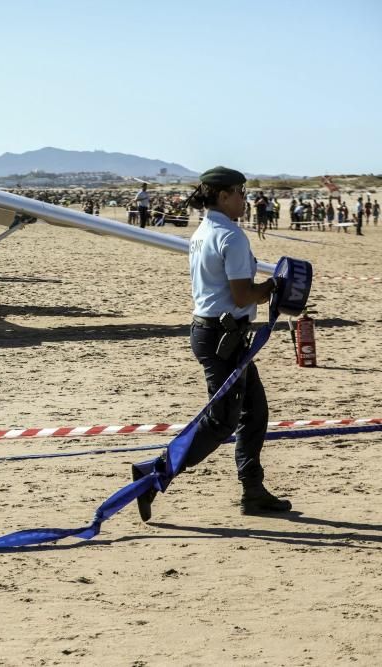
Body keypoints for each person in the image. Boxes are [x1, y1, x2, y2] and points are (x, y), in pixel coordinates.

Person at [135, 166, 290, 521]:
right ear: (223, 195)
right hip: (223, 336)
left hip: (214, 332)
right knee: (221, 420)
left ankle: (253, 490)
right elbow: (240, 296)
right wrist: (274, 288)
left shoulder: (206, 229)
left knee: (254, 412)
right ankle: (155, 473)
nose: (245, 200)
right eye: (240, 193)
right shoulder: (231, 237)